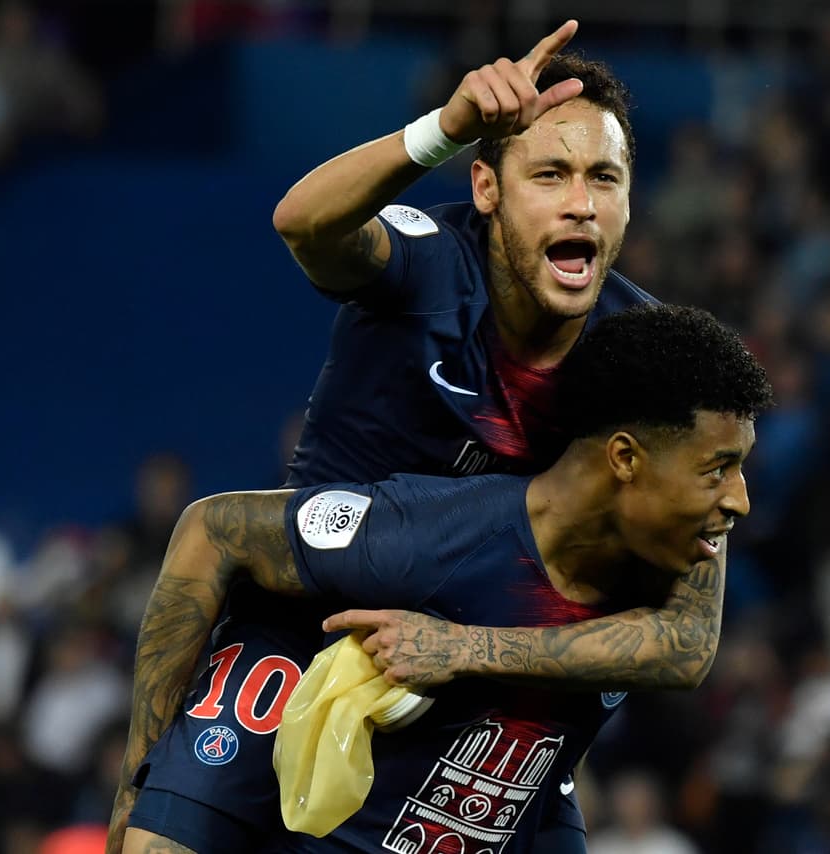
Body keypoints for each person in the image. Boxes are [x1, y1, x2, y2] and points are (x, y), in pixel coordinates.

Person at [109, 20, 734, 854]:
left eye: (604, 178)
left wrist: (470, 649)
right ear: (486, 189)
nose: (580, 201)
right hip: (306, 625)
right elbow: (304, 226)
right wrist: (440, 129)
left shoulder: (650, 366)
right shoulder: (430, 262)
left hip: (488, 672)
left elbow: (690, 638)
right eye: (549, 174)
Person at [124, 303, 771, 853]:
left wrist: (459, 649)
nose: (740, 499)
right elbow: (214, 530)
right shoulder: (432, 535)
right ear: (625, 457)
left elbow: (686, 649)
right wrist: (137, 776)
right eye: (718, 469)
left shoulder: (675, 550)